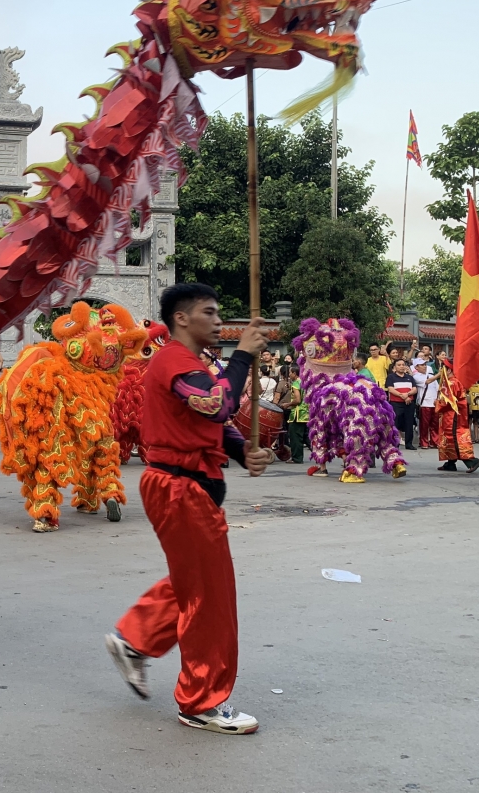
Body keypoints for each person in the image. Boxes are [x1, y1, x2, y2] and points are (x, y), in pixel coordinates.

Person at [105, 283, 270, 735]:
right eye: (210, 313)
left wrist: (240, 453)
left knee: (194, 582)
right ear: (182, 318)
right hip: (180, 489)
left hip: (190, 486)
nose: (219, 322)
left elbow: (208, 423)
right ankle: (200, 701)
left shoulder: (192, 362)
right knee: (209, 597)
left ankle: (133, 640)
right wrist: (243, 357)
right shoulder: (174, 359)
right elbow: (215, 405)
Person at [435, 360, 479, 474]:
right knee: (449, 438)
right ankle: (450, 463)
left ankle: (471, 461)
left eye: (443, 369)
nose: (441, 371)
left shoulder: (452, 383)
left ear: (449, 370)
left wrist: (437, 403)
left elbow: (448, 402)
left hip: (453, 415)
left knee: (455, 437)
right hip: (449, 415)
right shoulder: (450, 382)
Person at [385, 359, 418, 451]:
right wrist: (403, 396)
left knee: (409, 422)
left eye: (403, 364)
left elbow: (415, 389)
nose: (401, 366)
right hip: (396, 403)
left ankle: (409, 443)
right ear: (395, 367)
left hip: (409, 403)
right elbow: (391, 389)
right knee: (396, 422)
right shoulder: (391, 377)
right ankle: (395, 442)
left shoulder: (410, 377)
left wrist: (407, 395)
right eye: (399, 365)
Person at [284, 364, 308, 464]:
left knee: (295, 437)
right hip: (306, 412)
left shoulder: (295, 384)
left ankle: (297, 458)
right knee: (306, 436)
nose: (289, 374)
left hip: (297, 413)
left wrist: (288, 404)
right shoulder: (303, 382)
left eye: (290, 372)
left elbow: (297, 400)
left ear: (294, 373)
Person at [412, 359, 438, 449]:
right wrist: (439, 374)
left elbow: (437, 389)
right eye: (421, 365)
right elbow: (427, 382)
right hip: (424, 403)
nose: (424, 366)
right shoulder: (416, 376)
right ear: (416, 367)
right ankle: (424, 442)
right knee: (424, 425)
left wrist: (437, 399)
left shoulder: (432, 376)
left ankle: (434, 442)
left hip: (434, 403)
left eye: (425, 364)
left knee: (435, 424)